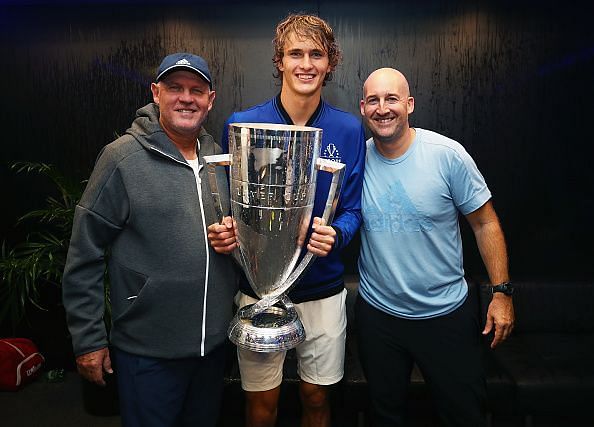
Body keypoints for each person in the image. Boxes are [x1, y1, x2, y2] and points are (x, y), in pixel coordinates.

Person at [62, 52, 238, 427]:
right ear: (156, 93)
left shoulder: (220, 159)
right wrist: (89, 340)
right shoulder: (121, 159)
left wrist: (234, 238)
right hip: (148, 352)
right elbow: (84, 254)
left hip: (211, 349)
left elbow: (233, 235)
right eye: (175, 88)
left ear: (211, 99)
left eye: (196, 90)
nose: (186, 98)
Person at [208, 14, 366, 427]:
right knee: (262, 407)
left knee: (316, 399)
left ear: (330, 62)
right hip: (257, 288)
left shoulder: (348, 129)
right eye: (295, 53)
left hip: (323, 289)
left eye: (317, 54)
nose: (306, 64)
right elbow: (233, 208)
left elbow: (352, 209)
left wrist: (336, 233)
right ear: (279, 61)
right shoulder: (243, 124)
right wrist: (226, 233)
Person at [356, 67, 515, 427]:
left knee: (464, 415)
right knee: (386, 417)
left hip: (445, 315)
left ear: (409, 104)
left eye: (392, 99)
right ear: (363, 108)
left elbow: (485, 222)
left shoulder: (447, 155)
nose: (384, 108)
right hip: (379, 317)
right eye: (374, 101)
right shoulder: (356, 161)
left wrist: (502, 293)